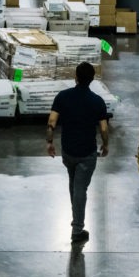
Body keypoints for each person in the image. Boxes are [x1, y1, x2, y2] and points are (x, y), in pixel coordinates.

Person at [47, 62, 109, 244]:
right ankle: (77, 230)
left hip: (68, 151)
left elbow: (51, 121)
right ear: (92, 79)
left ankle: (77, 221)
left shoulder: (63, 97)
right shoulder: (97, 101)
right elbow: (104, 129)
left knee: (74, 185)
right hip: (87, 153)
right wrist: (106, 145)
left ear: (75, 77)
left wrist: (49, 142)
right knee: (80, 188)